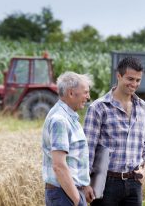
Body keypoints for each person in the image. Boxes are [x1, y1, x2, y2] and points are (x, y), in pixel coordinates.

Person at [84, 56, 145, 206]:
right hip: (105, 183)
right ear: (119, 76)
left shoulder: (142, 107)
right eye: (130, 79)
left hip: (134, 182)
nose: (134, 84)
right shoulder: (98, 108)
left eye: (138, 80)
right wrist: (85, 184)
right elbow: (87, 150)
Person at [42, 72, 95, 206]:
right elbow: (59, 165)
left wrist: (84, 186)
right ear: (71, 93)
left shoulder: (70, 117)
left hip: (68, 193)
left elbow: (74, 159)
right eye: (85, 92)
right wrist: (77, 199)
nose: (88, 97)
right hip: (64, 195)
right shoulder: (60, 120)